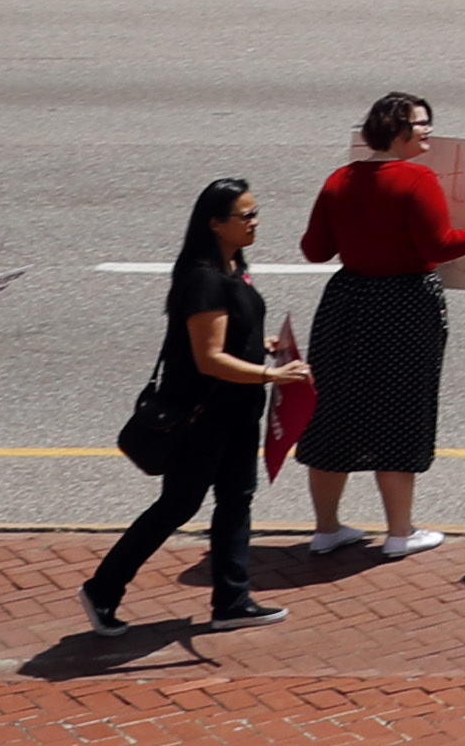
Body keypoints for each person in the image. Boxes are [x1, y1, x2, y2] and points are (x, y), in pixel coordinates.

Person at [299, 90, 465, 555]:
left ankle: (326, 528)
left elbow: (315, 250)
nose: (428, 132)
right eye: (422, 125)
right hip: (406, 304)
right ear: (398, 130)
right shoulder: (416, 180)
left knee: (334, 411)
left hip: (348, 303)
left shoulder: (339, 180)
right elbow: (441, 245)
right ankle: (399, 533)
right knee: (400, 412)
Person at [83, 175, 301, 634]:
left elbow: (229, 338)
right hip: (206, 417)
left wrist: (258, 345)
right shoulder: (203, 279)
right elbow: (209, 358)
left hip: (237, 413)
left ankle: (231, 600)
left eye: (255, 211)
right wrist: (271, 373)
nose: (255, 222)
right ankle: (103, 589)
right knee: (178, 505)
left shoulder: (231, 266)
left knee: (236, 499)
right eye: (246, 215)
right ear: (216, 223)